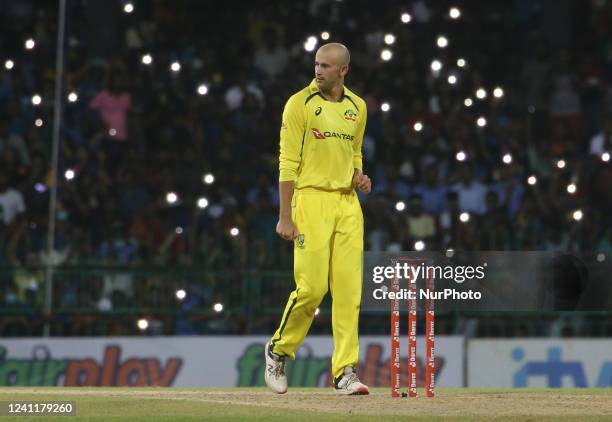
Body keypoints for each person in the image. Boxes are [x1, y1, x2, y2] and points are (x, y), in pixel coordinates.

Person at [264, 43, 372, 395]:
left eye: (326, 66)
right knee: (311, 289)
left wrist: (359, 175)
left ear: (344, 71)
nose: (318, 70)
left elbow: (354, 152)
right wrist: (284, 215)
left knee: (348, 293)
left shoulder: (358, 107)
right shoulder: (300, 104)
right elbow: (287, 162)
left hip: (347, 204)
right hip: (309, 201)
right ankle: (279, 350)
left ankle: (345, 373)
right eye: (316, 64)